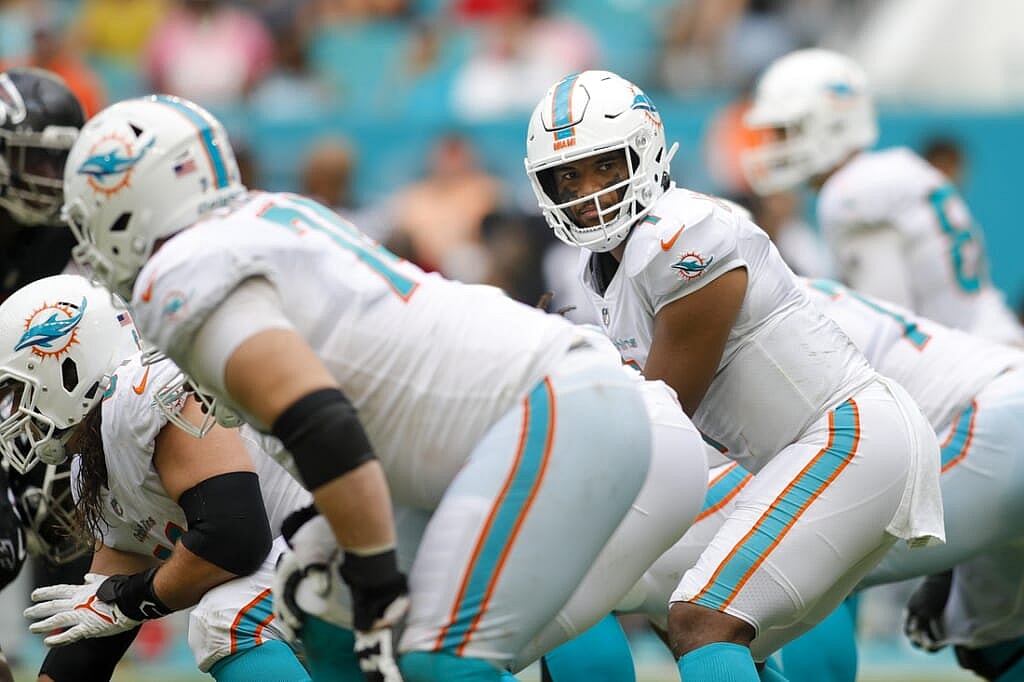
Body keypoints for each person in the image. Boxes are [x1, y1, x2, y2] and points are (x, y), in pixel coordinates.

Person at [61, 94, 701, 681]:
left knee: (431, 654)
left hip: (552, 414)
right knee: (320, 607)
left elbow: (323, 424)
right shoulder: (264, 218)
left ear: (128, 204)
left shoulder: (180, 277)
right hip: (508, 429)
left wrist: (374, 582)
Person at [524, 69, 944, 681]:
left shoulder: (682, 236)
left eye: (606, 167)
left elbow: (662, 420)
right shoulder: (614, 265)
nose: (589, 191)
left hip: (849, 438)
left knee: (702, 618)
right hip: (804, 453)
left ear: (644, 151)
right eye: (569, 176)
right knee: (611, 583)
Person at [3, 274, 313, 681]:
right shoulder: (92, 462)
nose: (10, 412)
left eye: (14, 390)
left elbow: (235, 535)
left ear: (66, 366)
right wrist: (117, 603)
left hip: (341, 520)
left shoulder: (136, 392)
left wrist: (130, 600)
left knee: (226, 622)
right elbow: (98, 624)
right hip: (311, 546)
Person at [741, 47, 1024, 347]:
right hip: (993, 350)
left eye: (784, 131)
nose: (774, 144)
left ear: (830, 123)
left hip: (972, 374)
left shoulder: (853, 193)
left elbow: (886, 329)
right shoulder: (902, 170)